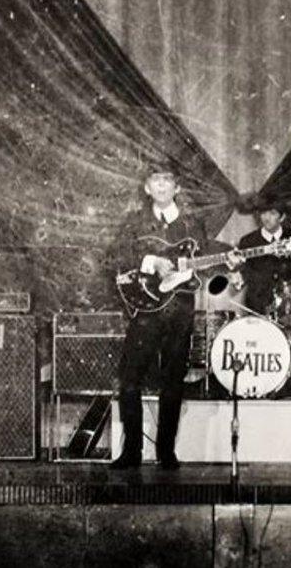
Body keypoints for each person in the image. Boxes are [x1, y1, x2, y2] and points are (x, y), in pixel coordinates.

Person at [111, 168, 241, 470]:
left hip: (180, 311)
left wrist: (229, 264)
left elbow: (206, 262)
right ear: (146, 188)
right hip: (144, 310)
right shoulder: (133, 223)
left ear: (176, 187)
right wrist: (151, 261)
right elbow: (115, 256)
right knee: (129, 380)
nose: (161, 185)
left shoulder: (192, 224)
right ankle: (131, 451)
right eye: (155, 180)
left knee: (173, 382)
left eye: (167, 180)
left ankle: (166, 452)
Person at [236, 197, 291, 316]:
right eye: (263, 213)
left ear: (282, 217)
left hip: (287, 306)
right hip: (256, 306)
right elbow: (242, 273)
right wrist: (236, 277)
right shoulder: (247, 241)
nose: (266, 218)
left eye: (272, 213)